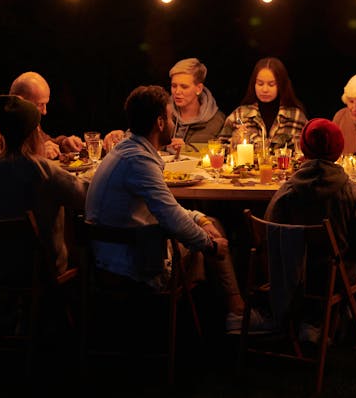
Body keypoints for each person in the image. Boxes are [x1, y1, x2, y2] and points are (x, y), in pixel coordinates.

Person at [84, 84, 267, 333]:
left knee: (209, 224)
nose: (173, 122)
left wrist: (201, 219)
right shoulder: (139, 161)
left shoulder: (126, 151)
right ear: (160, 122)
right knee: (209, 241)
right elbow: (172, 219)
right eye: (170, 117)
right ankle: (228, 315)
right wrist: (211, 245)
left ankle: (222, 312)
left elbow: (168, 208)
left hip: (110, 256)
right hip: (129, 265)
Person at [264, 118, 356, 344]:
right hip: (335, 277)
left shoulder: (287, 191)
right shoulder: (350, 191)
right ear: (338, 151)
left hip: (291, 274)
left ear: (302, 149)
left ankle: (303, 320)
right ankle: (330, 317)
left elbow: (270, 231)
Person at [0, 94, 86, 282]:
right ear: (34, 133)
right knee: (84, 248)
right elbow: (84, 196)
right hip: (36, 268)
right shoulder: (41, 170)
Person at [0, 71, 83, 215]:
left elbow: (42, 140)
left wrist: (63, 143)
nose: (44, 112)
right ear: (19, 101)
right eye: (40, 105)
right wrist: (38, 158)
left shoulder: (21, 119)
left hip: (8, 211)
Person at [219, 57, 309, 151]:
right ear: (254, 84)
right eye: (260, 83)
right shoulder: (239, 115)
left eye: (271, 84)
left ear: (281, 85)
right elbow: (218, 149)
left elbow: (310, 154)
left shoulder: (296, 117)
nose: (265, 89)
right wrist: (235, 141)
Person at [167, 57, 226, 151]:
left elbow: (220, 153)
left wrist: (186, 149)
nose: (177, 91)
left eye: (184, 87)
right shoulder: (163, 115)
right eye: (174, 86)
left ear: (198, 88)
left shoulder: (216, 121)